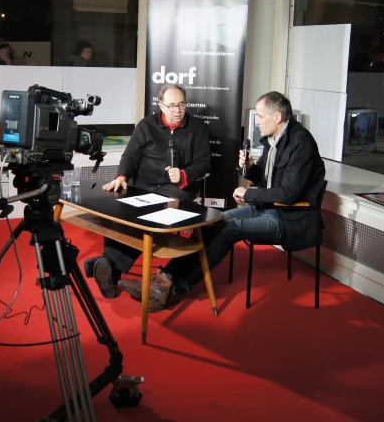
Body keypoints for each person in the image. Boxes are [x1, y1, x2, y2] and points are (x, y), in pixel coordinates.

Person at [117, 91, 325, 309]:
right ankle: (164, 281)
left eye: (261, 117)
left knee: (230, 228)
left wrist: (248, 194)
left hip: (290, 218)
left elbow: (288, 194)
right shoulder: (275, 140)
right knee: (214, 222)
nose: (257, 122)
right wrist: (252, 168)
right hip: (268, 208)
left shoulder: (301, 143)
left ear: (277, 118)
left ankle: (172, 288)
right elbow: (266, 179)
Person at [83, 83, 211, 299]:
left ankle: (109, 264)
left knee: (157, 210)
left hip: (175, 188)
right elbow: (130, 156)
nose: (177, 110)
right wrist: (122, 177)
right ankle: (109, 267)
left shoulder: (197, 127)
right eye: (171, 105)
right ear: (161, 106)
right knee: (125, 209)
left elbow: (205, 163)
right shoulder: (146, 125)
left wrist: (184, 174)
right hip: (142, 184)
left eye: (181, 104)